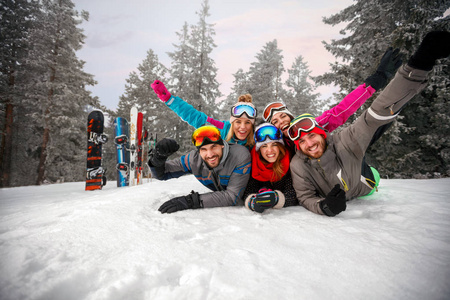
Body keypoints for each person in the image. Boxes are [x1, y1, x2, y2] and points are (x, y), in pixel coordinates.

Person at [288, 31, 450, 217]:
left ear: (322, 132)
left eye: (311, 135)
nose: (308, 144)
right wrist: (324, 206)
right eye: (301, 141)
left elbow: (364, 111)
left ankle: (364, 151)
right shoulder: (298, 164)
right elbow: (305, 197)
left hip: (363, 180)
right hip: (340, 172)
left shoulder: (343, 141)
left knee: (377, 121)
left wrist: (418, 66)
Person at [262, 47, 403, 153]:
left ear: (290, 115)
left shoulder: (310, 127)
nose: (281, 122)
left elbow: (341, 110)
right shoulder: (272, 145)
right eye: (275, 122)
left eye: (283, 116)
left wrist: (376, 80)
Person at [148, 125, 252, 213]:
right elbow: (163, 174)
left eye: (214, 147)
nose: (210, 154)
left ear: (222, 145)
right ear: (198, 151)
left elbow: (232, 197)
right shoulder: (194, 159)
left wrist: (191, 201)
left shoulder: (240, 156)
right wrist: (158, 159)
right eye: (204, 149)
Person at [151, 81, 257, 148]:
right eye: (238, 122)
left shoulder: (259, 137)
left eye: (247, 122)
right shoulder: (223, 128)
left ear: (252, 124)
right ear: (232, 122)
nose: (242, 127)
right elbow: (196, 117)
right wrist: (169, 99)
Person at [242, 123, 298, 213]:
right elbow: (249, 189)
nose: (270, 150)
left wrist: (276, 198)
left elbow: (294, 193)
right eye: (264, 146)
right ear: (259, 149)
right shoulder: (253, 163)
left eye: (274, 144)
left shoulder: (289, 161)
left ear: (280, 146)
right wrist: (252, 201)